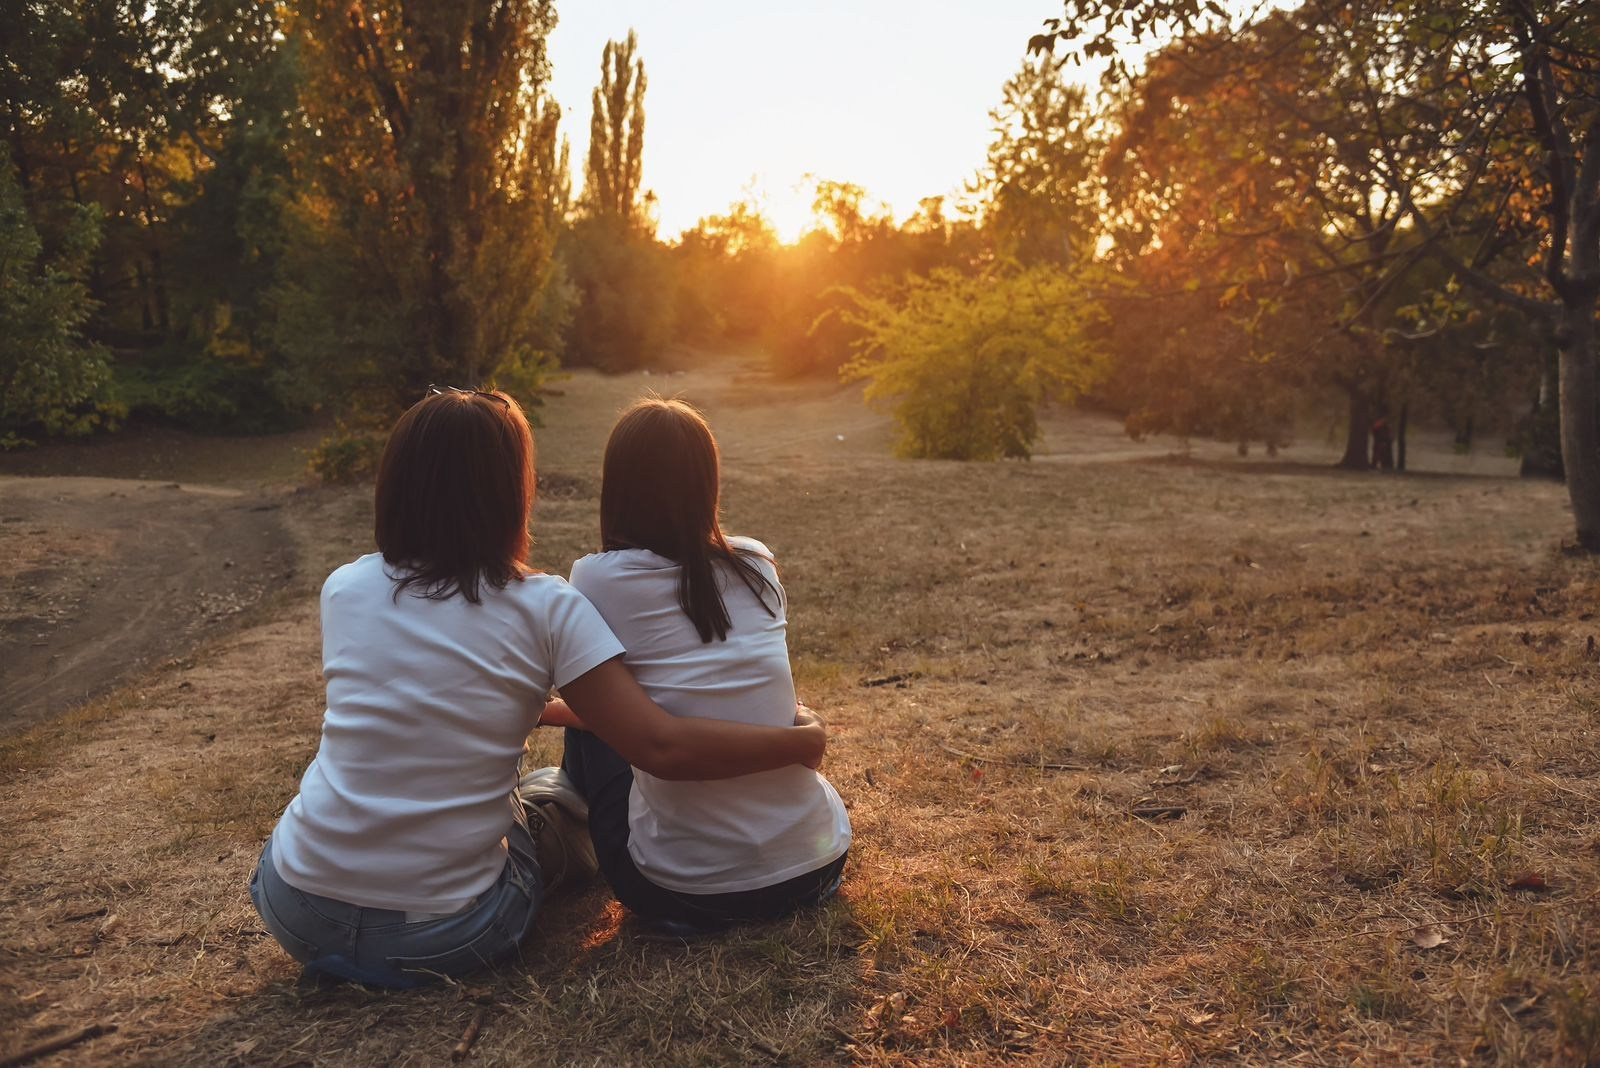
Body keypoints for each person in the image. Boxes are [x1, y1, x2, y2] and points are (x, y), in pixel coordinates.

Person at [249, 387, 826, 988]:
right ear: (510, 492)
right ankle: (546, 807)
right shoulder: (547, 606)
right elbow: (657, 745)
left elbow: (421, 694)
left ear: (394, 482)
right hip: (448, 932)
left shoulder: (343, 587)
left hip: (297, 908)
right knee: (535, 815)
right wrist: (800, 741)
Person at [553, 397, 852, 935]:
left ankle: (567, 827)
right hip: (819, 864)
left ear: (616, 488)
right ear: (707, 482)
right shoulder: (757, 562)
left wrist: (550, 711)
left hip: (686, 892)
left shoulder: (598, 578)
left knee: (596, 720)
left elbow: (636, 727)